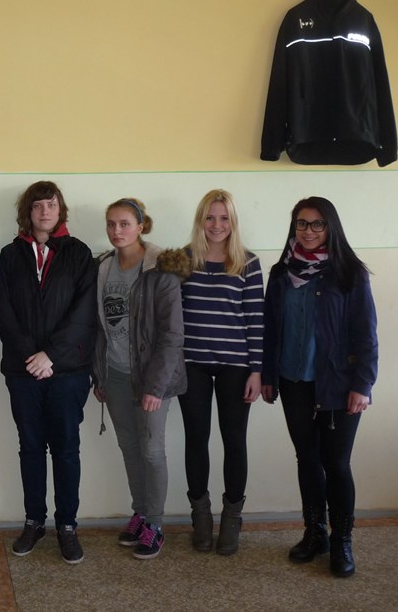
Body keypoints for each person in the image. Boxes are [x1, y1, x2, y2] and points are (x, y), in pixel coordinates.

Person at [262, 197, 377, 578]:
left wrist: (362, 384)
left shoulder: (349, 273)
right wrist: (268, 375)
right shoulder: (281, 273)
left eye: (317, 224)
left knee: (337, 464)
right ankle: (314, 533)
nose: (308, 231)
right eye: (301, 223)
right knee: (307, 460)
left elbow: (366, 334)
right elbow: (270, 329)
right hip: (293, 380)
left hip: (339, 385)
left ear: (330, 227)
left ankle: (341, 539)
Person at [0, 181, 97, 564]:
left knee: (66, 449)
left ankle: (67, 525)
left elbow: (84, 312)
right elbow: (4, 310)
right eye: (37, 206)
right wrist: (31, 357)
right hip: (23, 372)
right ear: (28, 212)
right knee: (31, 448)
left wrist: (50, 355)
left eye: (51, 205)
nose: (44, 211)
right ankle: (34, 520)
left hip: (68, 371)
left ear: (60, 210)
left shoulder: (80, 253)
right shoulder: (10, 255)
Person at [92, 197, 189, 560]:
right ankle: (140, 512)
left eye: (124, 224)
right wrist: (100, 375)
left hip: (150, 379)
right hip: (115, 375)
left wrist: (155, 387)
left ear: (141, 226)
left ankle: (156, 524)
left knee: (151, 451)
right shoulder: (103, 267)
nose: (116, 231)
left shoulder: (160, 269)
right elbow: (99, 327)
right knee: (130, 448)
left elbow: (172, 335)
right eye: (111, 224)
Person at [177, 190, 263, 555]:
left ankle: (232, 517)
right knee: (196, 438)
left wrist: (257, 371)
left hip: (235, 366)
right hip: (192, 364)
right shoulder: (183, 260)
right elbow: (172, 314)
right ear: (200, 220)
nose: (216, 225)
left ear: (233, 221)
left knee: (234, 440)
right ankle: (200, 515)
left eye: (224, 218)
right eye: (210, 217)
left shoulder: (248, 262)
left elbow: (256, 319)